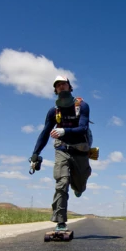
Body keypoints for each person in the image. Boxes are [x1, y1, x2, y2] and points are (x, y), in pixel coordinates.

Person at [29, 75, 92, 232]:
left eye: (64, 84)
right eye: (58, 85)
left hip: (80, 149)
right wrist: (35, 154)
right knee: (61, 183)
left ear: (70, 87)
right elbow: (45, 133)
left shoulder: (82, 106)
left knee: (80, 184)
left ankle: (79, 187)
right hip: (62, 150)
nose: (61, 87)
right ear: (55, 90)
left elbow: (83, 128)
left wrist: (64, 130)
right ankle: (60, 221)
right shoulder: (53, 112)